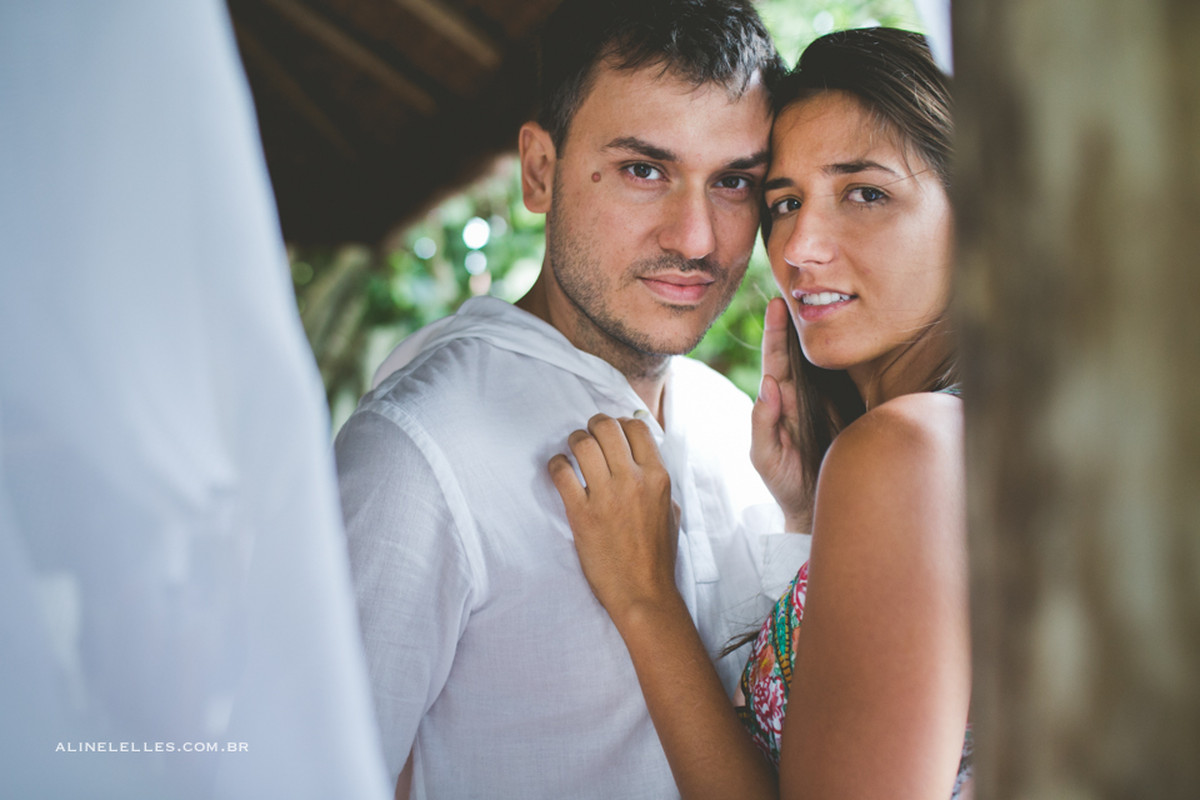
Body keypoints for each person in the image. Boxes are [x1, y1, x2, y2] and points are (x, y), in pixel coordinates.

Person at [333, 2, 803, 797]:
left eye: (733, 182)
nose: (695, 237)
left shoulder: (736, 426)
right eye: (644, 169)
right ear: (540, 171)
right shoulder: (416, 457)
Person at [550, 28, 972, 799]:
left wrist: (646, 600)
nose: (800, 247)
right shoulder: (971, 440)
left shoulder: (906, 451)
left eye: (866, 193)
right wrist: (806, 518)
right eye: (783, 202)